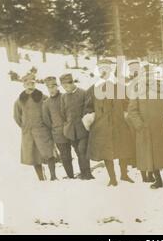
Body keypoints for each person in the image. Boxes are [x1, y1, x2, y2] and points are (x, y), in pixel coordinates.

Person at [83, 58, 136, 186]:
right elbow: (88, 106)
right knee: (106, 152)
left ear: (111, 70)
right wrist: (90, 116)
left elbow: (127, 103)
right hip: (102, 126)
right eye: (101, 69)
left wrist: (126, 114)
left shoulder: (120, 87)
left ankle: (124, 174)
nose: (104, 71)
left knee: (123, 149)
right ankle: (112, 178)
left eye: (107, 68)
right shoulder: (93, 89)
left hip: (119, 124)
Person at [127, 69, 163, 190]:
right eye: (146, 76)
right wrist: (139, 125)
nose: (149, 78)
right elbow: (132, 111)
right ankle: (158, 180)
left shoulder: (162, 88)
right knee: (151, 155)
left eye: (151, 76)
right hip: (146, 129)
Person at [14, 73, 57, 181]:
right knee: (33, 155)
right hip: (28, 132)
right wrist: (25, 126)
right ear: (23, 85)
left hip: (42, 130)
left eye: (32, 83)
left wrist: (46, 125)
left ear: (35, 84)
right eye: (27, 83)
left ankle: (53, 176)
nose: (30, 85)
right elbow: (17, 117)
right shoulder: (20, 100)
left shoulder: (43, 97)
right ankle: (41, 178)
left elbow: (50, 111)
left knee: (48, 152)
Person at [59, 73, 94, 180]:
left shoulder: (83, 93)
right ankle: (84, 173)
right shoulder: (63, 97)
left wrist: (86, 123)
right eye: (63, 86)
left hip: (83, 128)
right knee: (78, 152)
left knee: (82, 150)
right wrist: (66, 126)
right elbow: (63, 113)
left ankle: (87, 174)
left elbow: (89, 109)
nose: (66, 88)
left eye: (67, 85)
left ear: (72, 83)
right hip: (70, 131)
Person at [126, 61, 155, 183]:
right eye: (132, 69)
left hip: (150, 121)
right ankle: (144, 173)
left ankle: (151, 172)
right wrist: (138, 123)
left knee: (151, 147)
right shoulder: (132, 85)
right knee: (140, 148)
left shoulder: (154, 87)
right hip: (134, 120)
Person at [42, 76, 74, 179]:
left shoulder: (65, 96)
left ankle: (85, 173)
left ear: (57, 86)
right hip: (59, 134)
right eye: (49, 87)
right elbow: (47, 121)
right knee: (65, 156)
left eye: (53, 86)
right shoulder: (46, 103)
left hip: (72, 130)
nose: (51, 89)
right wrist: (55, 128)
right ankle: (71, 177)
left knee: (79, 151)